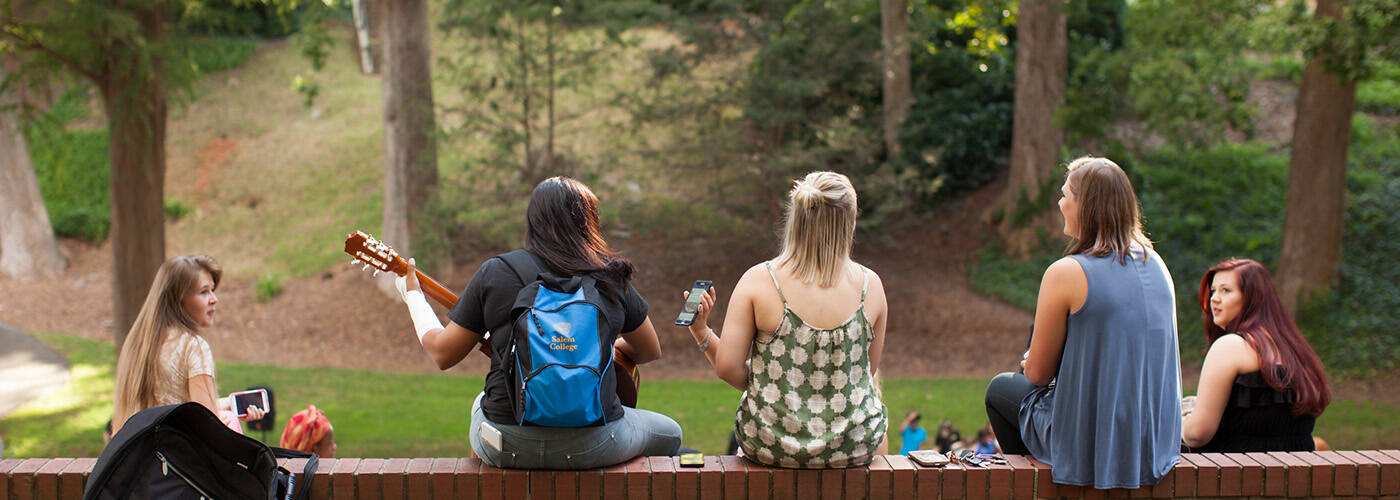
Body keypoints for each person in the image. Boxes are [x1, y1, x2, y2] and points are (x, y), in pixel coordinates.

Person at [394, 176, 681, 469]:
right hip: (594, 444)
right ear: (590, 222)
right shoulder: (609, 277)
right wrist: (591, 344)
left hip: (507, 443)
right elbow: (649, 350)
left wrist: (413, 296)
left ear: (533, 222)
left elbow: (442, 353)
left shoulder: (497, 272)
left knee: (482, 399)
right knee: (671, 433)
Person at [983, 157, 1181, 489]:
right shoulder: (1157, 263)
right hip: (1152, 440)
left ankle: (1041, 487)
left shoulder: (1067, 272)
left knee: (1001, 389)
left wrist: (1030, 360)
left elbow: (1037, 374)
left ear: (1085, 205)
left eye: (1065, 195)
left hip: (1090, 442)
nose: (1060, 203)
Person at [686, 171, 889, 468]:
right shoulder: (871, 287)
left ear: (795, 219)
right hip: (851, 449)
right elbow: (864, 374)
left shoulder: (759, 281)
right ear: (849, 223)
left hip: (771, 447)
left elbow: (728, 369)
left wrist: (701, 331)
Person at [1181, 258, 1329, 452]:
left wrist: (1181, 420)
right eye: (1214, 290)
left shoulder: (1230, 346)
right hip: (1292, 476)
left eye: (1226, 290)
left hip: (1232, 476)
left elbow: (1197, 435)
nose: (1214, 298)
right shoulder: (1295, 349)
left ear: (1252, 298)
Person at [112, 255, 265, 434]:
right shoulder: (193, 347)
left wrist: (228, 405)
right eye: (204, 292)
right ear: (179, 300)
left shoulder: (137, 343)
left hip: (138, 454)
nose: (214, 299)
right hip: (180, 457)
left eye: (213, 290)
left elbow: (171, 405)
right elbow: (206, 428)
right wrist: (223, 420)